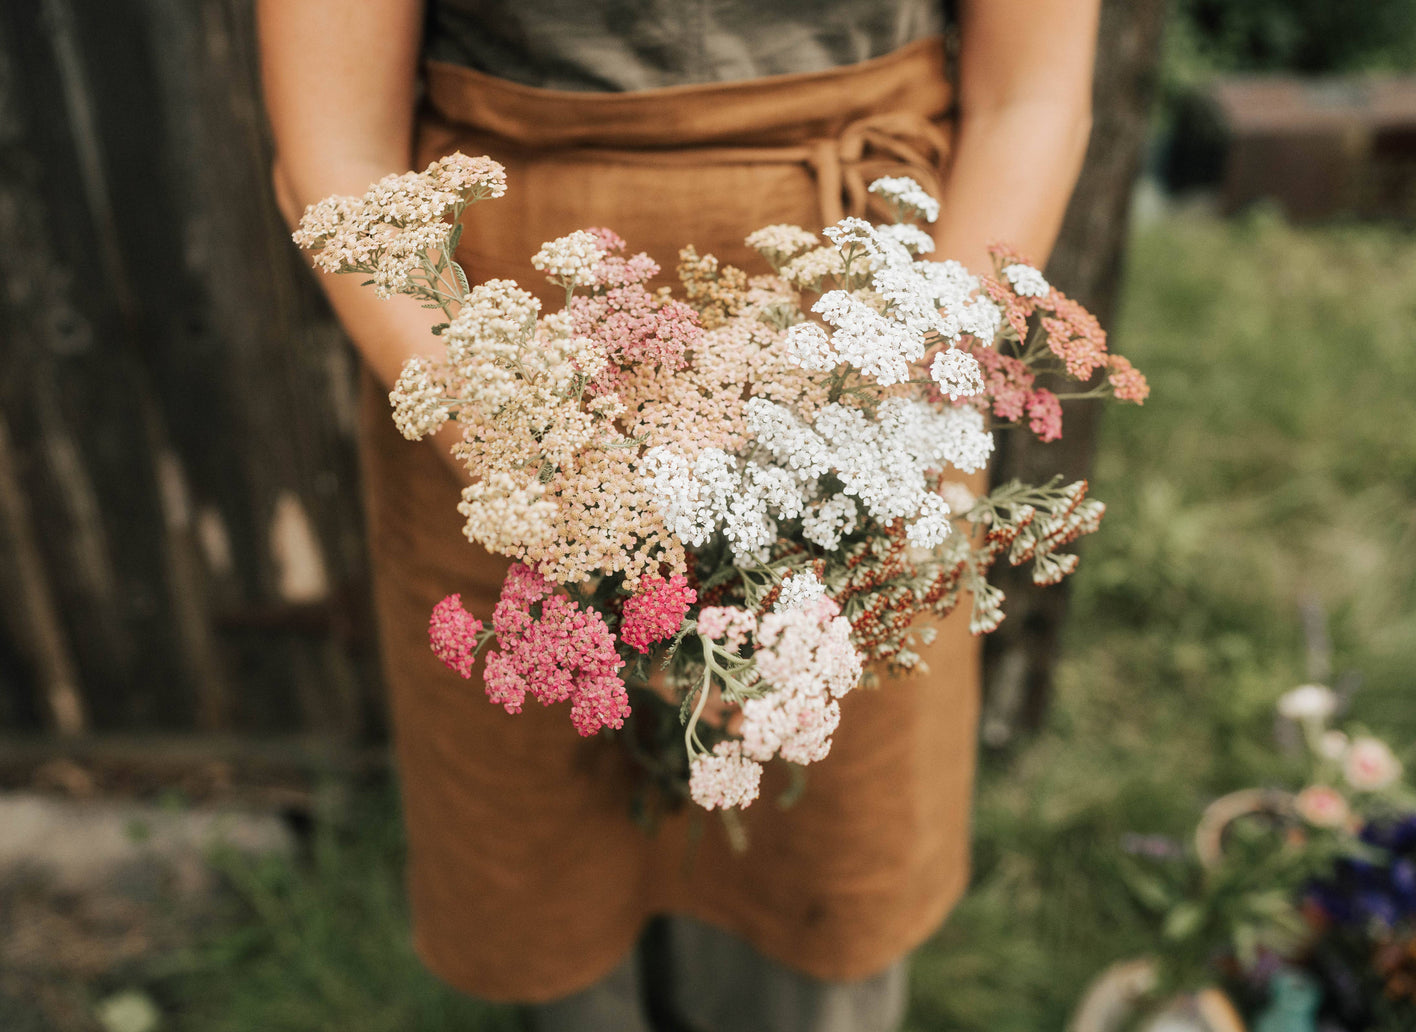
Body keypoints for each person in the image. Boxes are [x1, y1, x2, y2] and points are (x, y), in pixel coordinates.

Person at [258, 2, 1100, 1029]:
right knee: (544, 861)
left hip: (857, 343)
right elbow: (332, 150)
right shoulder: (499, 414)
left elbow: (1031, 94)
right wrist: (532, 467)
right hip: (500, 356)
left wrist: (897, 418)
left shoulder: (883, 395)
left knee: (818, 872)